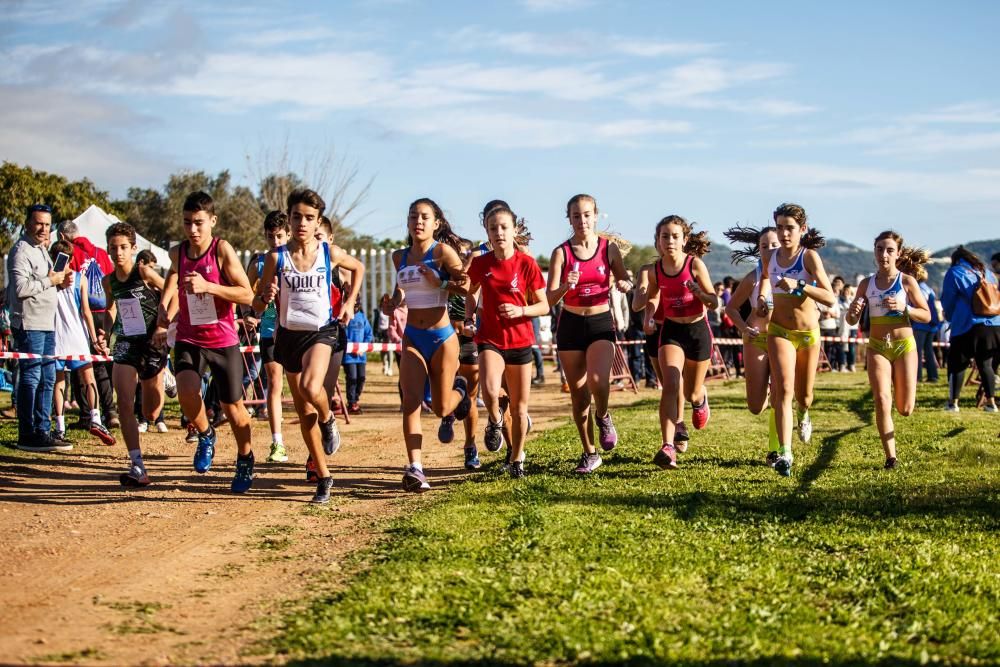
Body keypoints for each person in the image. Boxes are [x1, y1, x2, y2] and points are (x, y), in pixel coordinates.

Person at [254, 189, 365, 503]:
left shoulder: (328, 252)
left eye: (309, 217)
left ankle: (329, 419)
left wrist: (349, 301)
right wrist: (266, 295)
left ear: (318, 221)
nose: (302, 223)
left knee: (309, 385)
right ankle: (324, 476)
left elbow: (359, 268)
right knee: (304, 413)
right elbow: (257, 305)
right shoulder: (277, 258)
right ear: (288, 220)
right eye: (296, 217)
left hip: (321, 332)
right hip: (288, 336)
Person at [154, 191, 257, 493]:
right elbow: (173, 275)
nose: (193, 230)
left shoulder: (221, 250)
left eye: (199, 223)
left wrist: (209, 287)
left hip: (222, 339)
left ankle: (245, 457)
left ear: (212, 221)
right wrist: (166, 305)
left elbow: (247, 294)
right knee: (186, 393)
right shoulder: (178, 252)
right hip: (188, 335)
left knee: (233, 407)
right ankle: (205, 433)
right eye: (187, 223)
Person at [387, 198, 471, 492]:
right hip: (412, 336)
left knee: (440, 407)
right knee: (410, 402)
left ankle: (460, 392)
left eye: (424, 217)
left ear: (436, 223)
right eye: (413, 217)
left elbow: (467, 286)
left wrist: (441, 284)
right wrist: (391, 304)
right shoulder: (399, 257)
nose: (418, 222)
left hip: (442, 337)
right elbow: (400, 293)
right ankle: (415, 467)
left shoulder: (442, 252)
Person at [547, 194, 633, 474]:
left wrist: (623, 283)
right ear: (569, 219)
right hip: (570, 324)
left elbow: (625, 279)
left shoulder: (609, 250)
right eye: (576, 216)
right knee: (579, 396)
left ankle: (604, 415)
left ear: (595, 216)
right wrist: (564, 287)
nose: (582, 221)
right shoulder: (561, 253)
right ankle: (590, 452)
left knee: (599, 381)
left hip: (599, 322)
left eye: (586, 215)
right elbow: (548, 298)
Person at [466, 203, 548, 478]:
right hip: (490, 338)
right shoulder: (480, 263)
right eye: (493, 228)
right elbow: (471, 292)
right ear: (487, 233)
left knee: (520, 406)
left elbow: (544, 305)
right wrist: (469, 318)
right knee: (489, 391)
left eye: (503, 227)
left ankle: (516, 460)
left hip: (521, 341)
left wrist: (521, 310)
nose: (498, 232)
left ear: (514, 230)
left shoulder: (527, 264)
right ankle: (495, 421)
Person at [757, 203, 836, 476]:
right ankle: (785, 454)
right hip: (779, 330)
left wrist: (800, 286)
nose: (784, 233)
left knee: (804, 395)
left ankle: (804, 413)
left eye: (789, 228)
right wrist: (762, 299)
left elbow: (829, 297)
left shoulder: (809, 257)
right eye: (779, 227)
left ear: (802, 230)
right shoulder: (771, 257)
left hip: (807, 334)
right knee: (783, 390)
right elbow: (766, 280)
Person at [634, 215, 718, 470]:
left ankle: (700, 399)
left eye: (674, 236)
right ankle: (667, 446)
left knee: (691, 391)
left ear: (684, 240)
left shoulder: (694, 265)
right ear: (657, 241)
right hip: (671, 331)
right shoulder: (654, 271)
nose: (669, 241)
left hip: (697, 331)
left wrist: (699, 293)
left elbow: (714, 302)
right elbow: (646, 302)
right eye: (664, 236)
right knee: (670, 382)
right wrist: (644, 305)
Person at [844, 232, 931, 468]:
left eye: (889, 250)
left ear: (898, 254)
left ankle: (900, 421)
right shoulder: (866, 284)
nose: (884, 254)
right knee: (882, 399)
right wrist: (854, 310)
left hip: (904, 347)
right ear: (874, 251)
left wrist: (906, 308)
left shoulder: (906, 282)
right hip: (878, 347)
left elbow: (926, 315)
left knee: (904, 408)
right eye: (880, 249)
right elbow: (851, 320)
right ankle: (890, 457)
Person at [104, 223, 168, 486]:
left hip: (152, 342)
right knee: (125, 404)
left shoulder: (143, 272)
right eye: (113, 248)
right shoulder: (108, 281)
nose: (118, 253)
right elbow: (110, 310)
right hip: (126, 343)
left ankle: (165, 377)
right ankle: (137, 465)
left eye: (123, 248)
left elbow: (170, 293)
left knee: (151, 413)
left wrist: (163, 324)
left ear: (133, 249)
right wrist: (106, 334)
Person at [8, 204, 71, 452]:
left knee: (47, 378)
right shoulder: (20, 251)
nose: (44, 229)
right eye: (39, 223)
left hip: (48, 324)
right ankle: (27, 432)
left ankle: (43, 430)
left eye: (47, 224)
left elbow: (46, 285)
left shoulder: (43, 250)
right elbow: (21, 289)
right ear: (27, 224)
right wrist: (51, 280)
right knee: (32, 378)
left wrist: (60, 283)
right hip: (29, 324)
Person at [48, 240, 116, 446]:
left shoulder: (50, 280)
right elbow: (86, 311)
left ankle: (59, 426)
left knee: (59, 382)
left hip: (56, 337)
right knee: (89, 378)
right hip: (77, 336)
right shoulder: (80, 278)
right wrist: (94, 339)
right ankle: (95, 418)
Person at [724, 224, 781, 463]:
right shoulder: (753, 277)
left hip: (781, 339)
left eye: (774, 245)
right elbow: (731, 308)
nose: (769, 250)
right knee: (756, 405)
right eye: (764, 246)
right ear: (758, 250)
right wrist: (743, 328)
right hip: (755, 339)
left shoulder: (792, 274)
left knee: (781, 397)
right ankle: (769, 392)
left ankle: (775, 450)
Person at [60, 219, 118, 429]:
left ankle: (87, 415)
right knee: (102, 363)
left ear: (62, 237)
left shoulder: (70, 252)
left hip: (82, 313)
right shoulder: (100, 252)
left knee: (81, 364)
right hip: (105, 312)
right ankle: (110, 412)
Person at [245, 211, 290, 463]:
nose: (275, 241)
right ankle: (277, 442)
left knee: (303, 386)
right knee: (274, 382)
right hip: (270, 329)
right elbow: (245, 293)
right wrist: (248, 313)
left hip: (297, 330)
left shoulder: (298, 260)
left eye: (280, 236)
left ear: (289, 235)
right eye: (271, 236)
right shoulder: (258, 263)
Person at [941, 246, 1000, 412]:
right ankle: (991, 403)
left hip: (967, 324)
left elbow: (948, 300)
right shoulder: (987, 273)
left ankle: (953, 403)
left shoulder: (955, 272)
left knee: (958, 364)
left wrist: (950, 316)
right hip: (994, 324)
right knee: (986, 365)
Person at [440, 239, 482, 470]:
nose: (464, 259)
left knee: (472, 396)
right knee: (445, 384)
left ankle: (470, 446)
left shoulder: (476, 277)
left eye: (466, 254)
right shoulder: (443, 279)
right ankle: (447, 413)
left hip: (469, 339)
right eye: (460, 255)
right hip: (447, 337)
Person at [343, 302, 373, 414]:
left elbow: (369, 334)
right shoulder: (345, 316)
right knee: (352, 378)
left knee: (361, 378)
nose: (355, 308)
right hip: (349, 356)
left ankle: (355, 399)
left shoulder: (362, 317)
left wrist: (363, 347)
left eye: (356, 306)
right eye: (353, 306)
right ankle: (351, 402)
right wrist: (353, 347)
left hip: (361, 356)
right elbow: (343, 335)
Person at [912, 269, 940, 383]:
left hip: (920, 324)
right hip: (932, 325)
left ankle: (917, 376)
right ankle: (933, 375)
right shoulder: (929, 289)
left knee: (917, 351)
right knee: (929, 350)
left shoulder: (918, 289)